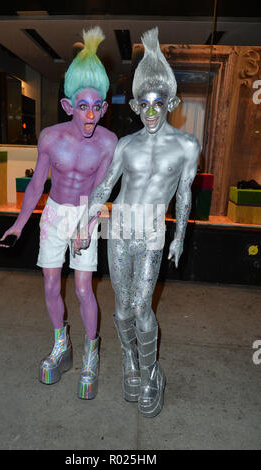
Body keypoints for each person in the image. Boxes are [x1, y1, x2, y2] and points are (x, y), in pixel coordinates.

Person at [73, 27, 200, 417]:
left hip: (151, 232)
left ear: (171, 103)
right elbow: (105, 188)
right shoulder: (125, 146)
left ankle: (150, 375)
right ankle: (129, 360)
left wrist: (179, 235)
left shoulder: (186, 146)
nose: (150, 112)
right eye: (143, 104)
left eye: (157, 104)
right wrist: (84, 221)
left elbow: (184, 192)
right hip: (121, 228)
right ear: (134, 105)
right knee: (122, 309)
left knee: (142, 308)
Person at [0, 27, 117, 399]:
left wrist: (86, 224)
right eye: (83, 106)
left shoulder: (108, 143)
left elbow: (100, 191)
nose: (91, 116)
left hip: (86, 212)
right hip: (53, 213)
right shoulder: (50, 137)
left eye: (97, 107)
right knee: (51, 284)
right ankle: (60, 345)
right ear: (68, 106)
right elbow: (37, 185)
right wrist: (19, 224)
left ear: (104, 107)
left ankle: (91, 353)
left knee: (83, 288)